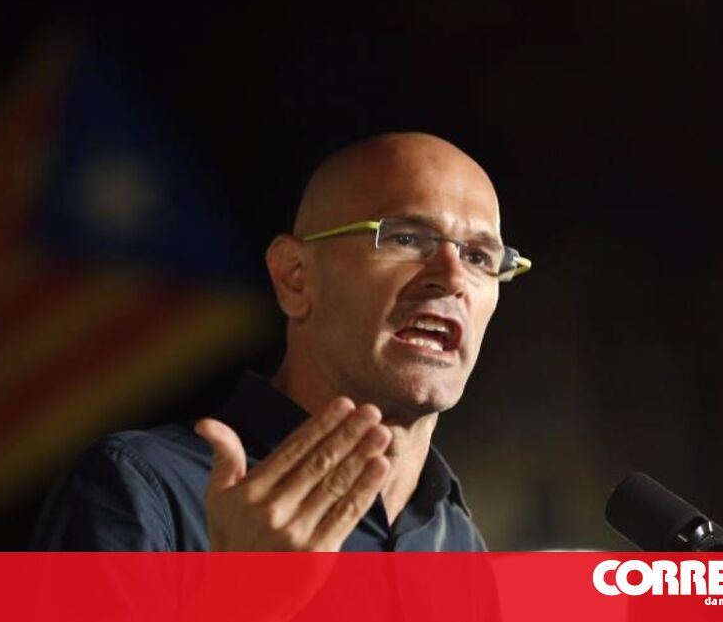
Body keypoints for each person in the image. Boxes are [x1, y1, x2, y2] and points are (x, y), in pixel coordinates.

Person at [31, 131, 531, 551]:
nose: (452, 278)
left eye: (479, 257)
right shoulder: (144, 490)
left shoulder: (461, 547)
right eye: (406, 238)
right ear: (295, 277)